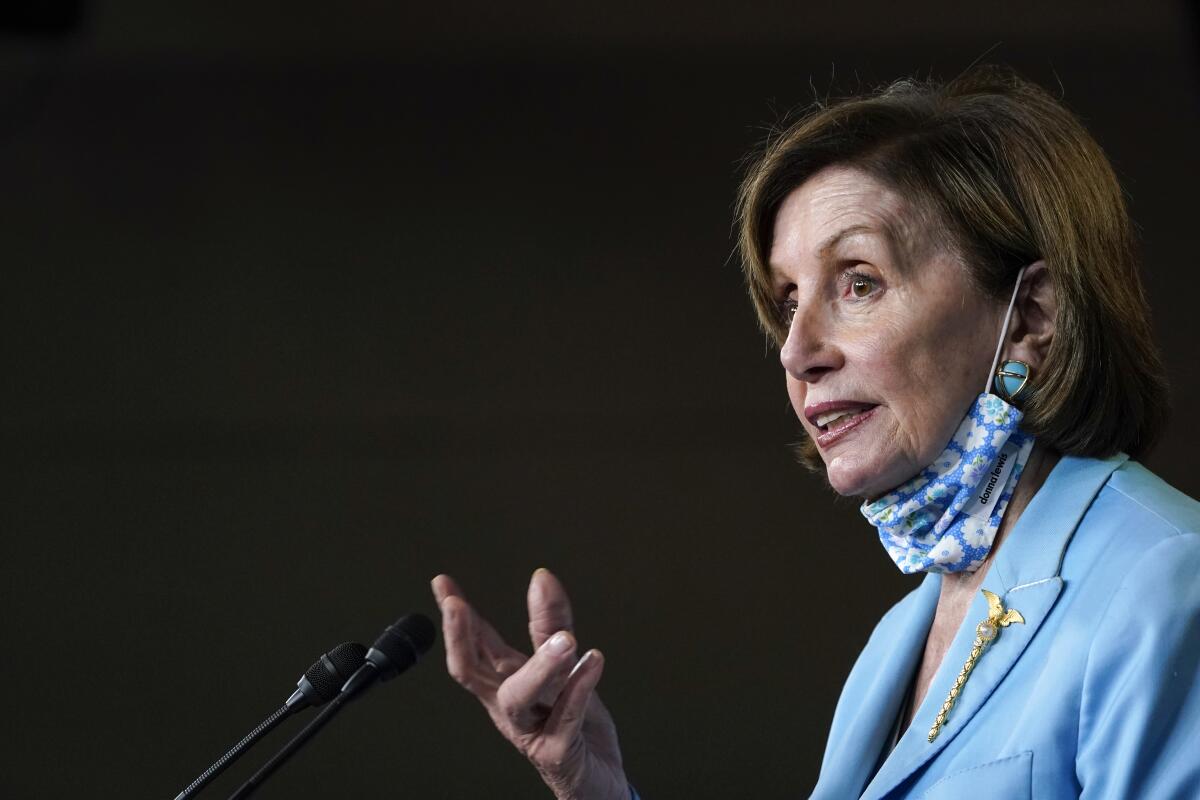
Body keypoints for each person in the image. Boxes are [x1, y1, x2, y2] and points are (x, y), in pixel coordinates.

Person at [429, 65, 1200, 799]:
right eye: (789, 299)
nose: (797, 350)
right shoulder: (895, 645)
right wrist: (592, 788)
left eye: (858, 283)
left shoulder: (1165, 583)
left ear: (1031, 317)